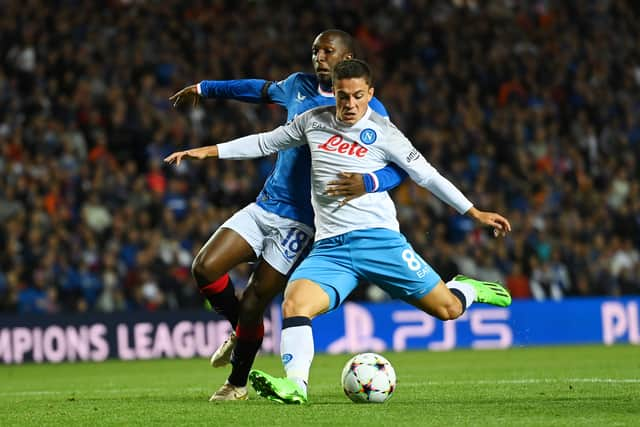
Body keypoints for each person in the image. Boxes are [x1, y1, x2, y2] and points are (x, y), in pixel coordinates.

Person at [165, 58, 512, 404]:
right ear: (333, 93)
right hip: (330, 247)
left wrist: (474, 212)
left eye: (358, 96)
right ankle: (296, 386)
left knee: (448, 310)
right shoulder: (312, 122)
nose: (349, 104)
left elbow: (426, 176)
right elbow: (264, 142)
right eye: (342, 96)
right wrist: (208, 152)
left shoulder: (384, 131)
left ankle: (465, 288)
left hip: (380, 241)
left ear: (370, 94)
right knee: (295, 303)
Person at [168, 30, 407, 401]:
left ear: (347, 56)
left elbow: (400, 167)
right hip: (267, 204)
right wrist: (205, 88)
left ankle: (237, 384)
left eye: (328, 50)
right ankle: (242, 331)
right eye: (315, 50)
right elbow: (256, 89)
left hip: (303, 221)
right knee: (204, 267)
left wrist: (370, 181)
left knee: (253, 301)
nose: (319, 57)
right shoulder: (297, 86)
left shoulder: (370, 110)